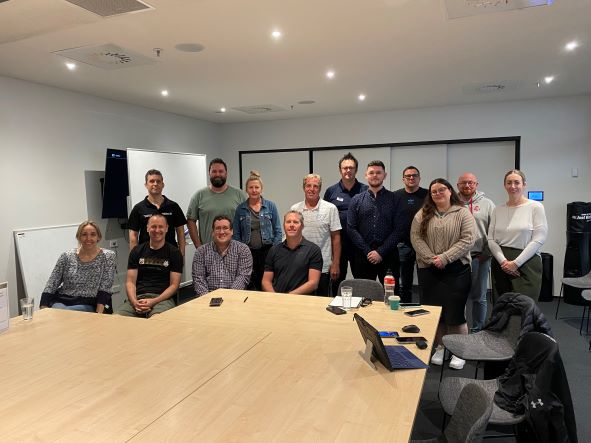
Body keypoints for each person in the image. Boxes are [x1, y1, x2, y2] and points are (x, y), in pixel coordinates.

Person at [411, 178, 475, 370]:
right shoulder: (422, 214)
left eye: (441, 190)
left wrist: (445, 258)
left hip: (456, 270)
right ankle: (441, 347)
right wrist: (431, 258)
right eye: (434, 191)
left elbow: (468, 239)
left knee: (455, 314)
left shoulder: (463, 212)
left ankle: (459, 351)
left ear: (449, 191)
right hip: (429, 270)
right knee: (436, 314)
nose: (438, 193)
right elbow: (415, 238)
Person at [488, 169, 548, 302]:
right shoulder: (498, 209)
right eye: (509, 183)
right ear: (505, 185)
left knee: (524, 307)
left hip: (526, 262)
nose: (513, 186)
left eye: (517, 182)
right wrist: (503, 261)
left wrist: (516, 263)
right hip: (500, 263)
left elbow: (539, 238)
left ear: (524, 184)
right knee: (501, 307)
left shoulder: (535, 207)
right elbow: (491, 239)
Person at [41, 221, 116, 313]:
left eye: (93, 234)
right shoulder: (66, 256)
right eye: (84, 234)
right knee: (56, 312)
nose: (88, 238)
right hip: (63, 300)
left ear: (98, 237)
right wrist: (43, 308)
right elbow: (52, 283)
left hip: (90, 302)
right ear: (78, 237)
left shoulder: (108, 256)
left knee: (66, 314)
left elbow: (105, 287)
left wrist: (99, 314)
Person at [348, 160, 403, 284]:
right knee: (364, 296)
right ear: (366, 175)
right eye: (371, 173)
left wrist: (380, 252)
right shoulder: (356, 200)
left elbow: (399, 229)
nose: (375, 175)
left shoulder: (395, 199)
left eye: (378, 172)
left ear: (385, 175)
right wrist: (368, 251)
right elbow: (351, 229)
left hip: (388, 255)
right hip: (363, 256)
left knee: (391, 296)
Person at [117, 214, 183, 318]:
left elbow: (174, 286)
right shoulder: (136, 251)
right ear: (147, 228)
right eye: (153, 226)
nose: (157, 230)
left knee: (156, 321)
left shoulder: (174, 253)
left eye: (161, 227)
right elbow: (130, 282)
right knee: (115, 320)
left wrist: (153, 301)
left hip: (162, 300)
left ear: (166, 228)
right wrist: (134, 302)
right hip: (138, 299)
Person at [323, 152, 368, 296]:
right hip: (338, 245)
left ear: (356, 170)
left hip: (359, 246)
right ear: (340, 170)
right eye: (345, 168)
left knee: (362, 282)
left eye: (351, 167)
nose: (348, 170)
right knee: (337, 281)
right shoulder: (331, 191)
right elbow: (325, 218)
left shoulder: (365, 190)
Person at [456, 172, 495, 332]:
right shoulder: (451, 203)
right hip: (456, 258)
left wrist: (486, 253)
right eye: (463, 183)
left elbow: (494, 231)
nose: (467, 185)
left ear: (476, 185)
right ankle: (460, 329)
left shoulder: (487, 204)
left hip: (480, 257)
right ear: (458, 185)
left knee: (479, 297)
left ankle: (477, 330)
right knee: (459, 297)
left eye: (471, 183)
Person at [291, 174, 341, 295]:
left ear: (320, 189)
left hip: (323, 267)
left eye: (315, 186)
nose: (312, 189)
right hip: (300, 266)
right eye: (308, 185)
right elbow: (291, 237)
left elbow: (336, 238)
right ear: (304, 188)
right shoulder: (295, 209)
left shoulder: (330, 208)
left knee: (321, 303)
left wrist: (335, 263)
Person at [232, 171, 282, 290]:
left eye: (257, 187)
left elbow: (278, 230)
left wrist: (274, 249)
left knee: (267, 282)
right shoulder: (241, 208)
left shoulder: (271, 206)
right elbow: (236, 233)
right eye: (251, 187)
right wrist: (240, 250)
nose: (254, 190)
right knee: (250, 283)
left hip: (268, 251)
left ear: (261, 189)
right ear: (246, 190)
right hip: (247, 251)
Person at [186, 158, 247, 247]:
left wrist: (243, 246)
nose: (217, 174)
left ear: (226, 173)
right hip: (207, 251)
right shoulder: (198, 196)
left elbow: (247, 222)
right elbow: (190, 221)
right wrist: (198, 246)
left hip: (235, 250)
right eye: (214, 171)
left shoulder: (239, 195)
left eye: (221, 171)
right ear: (209, 173)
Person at [128, 169, 187, 256]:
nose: (155, 184)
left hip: (170, 255)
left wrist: (181, 255)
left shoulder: (173, 206)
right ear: (146, 185)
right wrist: (134, 258)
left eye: (158, 181)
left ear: (163, 184)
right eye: (151, 181)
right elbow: (133, 236)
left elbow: (181, 233)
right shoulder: (138, 208)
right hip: (146, 257)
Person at [262, 210, 323, 294]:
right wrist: (275, 297)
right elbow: (266, 281)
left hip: (301, 301)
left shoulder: (313, 250)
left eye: (295, 222)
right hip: (276, 299)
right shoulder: (274, 250)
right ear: (284, 226)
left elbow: (313, 283)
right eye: (288, 222)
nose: (291, 225)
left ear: (302, 226)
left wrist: (289, 297)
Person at [393, 166, 428, 302]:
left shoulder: (428, 195)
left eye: (414, 175)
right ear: (403, 179)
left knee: (426, 281)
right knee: (404, 282)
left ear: (419, 178)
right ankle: (405, 310)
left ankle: (425, 311)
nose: (411, 178)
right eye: (408, 176)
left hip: (424, 243)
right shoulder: (396, 196)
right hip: (403, 245)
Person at [193, 216, 253, 296]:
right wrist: (207, 298)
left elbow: (243, 277)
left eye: (225, 228)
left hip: (235, 296)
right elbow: (198, 279)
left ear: (232, 231)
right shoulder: (201, 252)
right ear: (213, 232)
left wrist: (228, 297)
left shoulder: (243, 250)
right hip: (207, 297)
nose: (221, 232)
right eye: (218, 228)